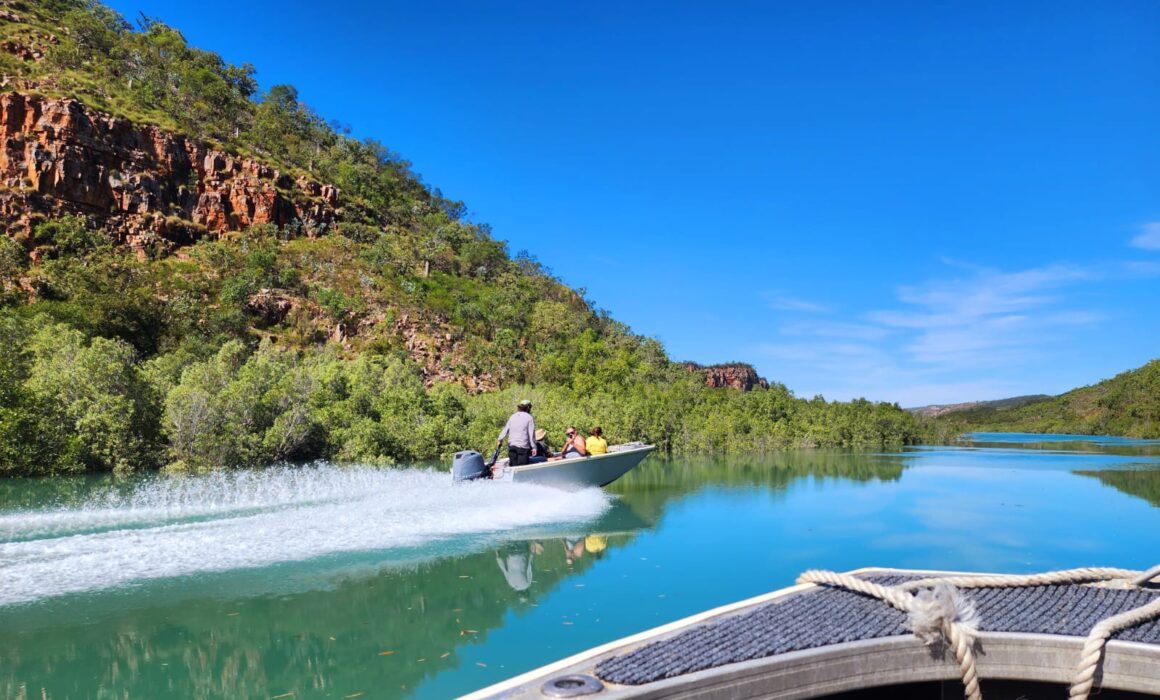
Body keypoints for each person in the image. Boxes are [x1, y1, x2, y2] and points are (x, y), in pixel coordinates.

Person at [496, 399, 537, 466]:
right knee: (522, 469)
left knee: (514, 468)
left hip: (512, 447)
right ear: (528, 407)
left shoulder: (513, 416)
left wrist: (500, 439)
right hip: (523, 448)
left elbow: (505, 429)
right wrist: (534, 447)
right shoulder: (529, 418)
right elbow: (531, 435)